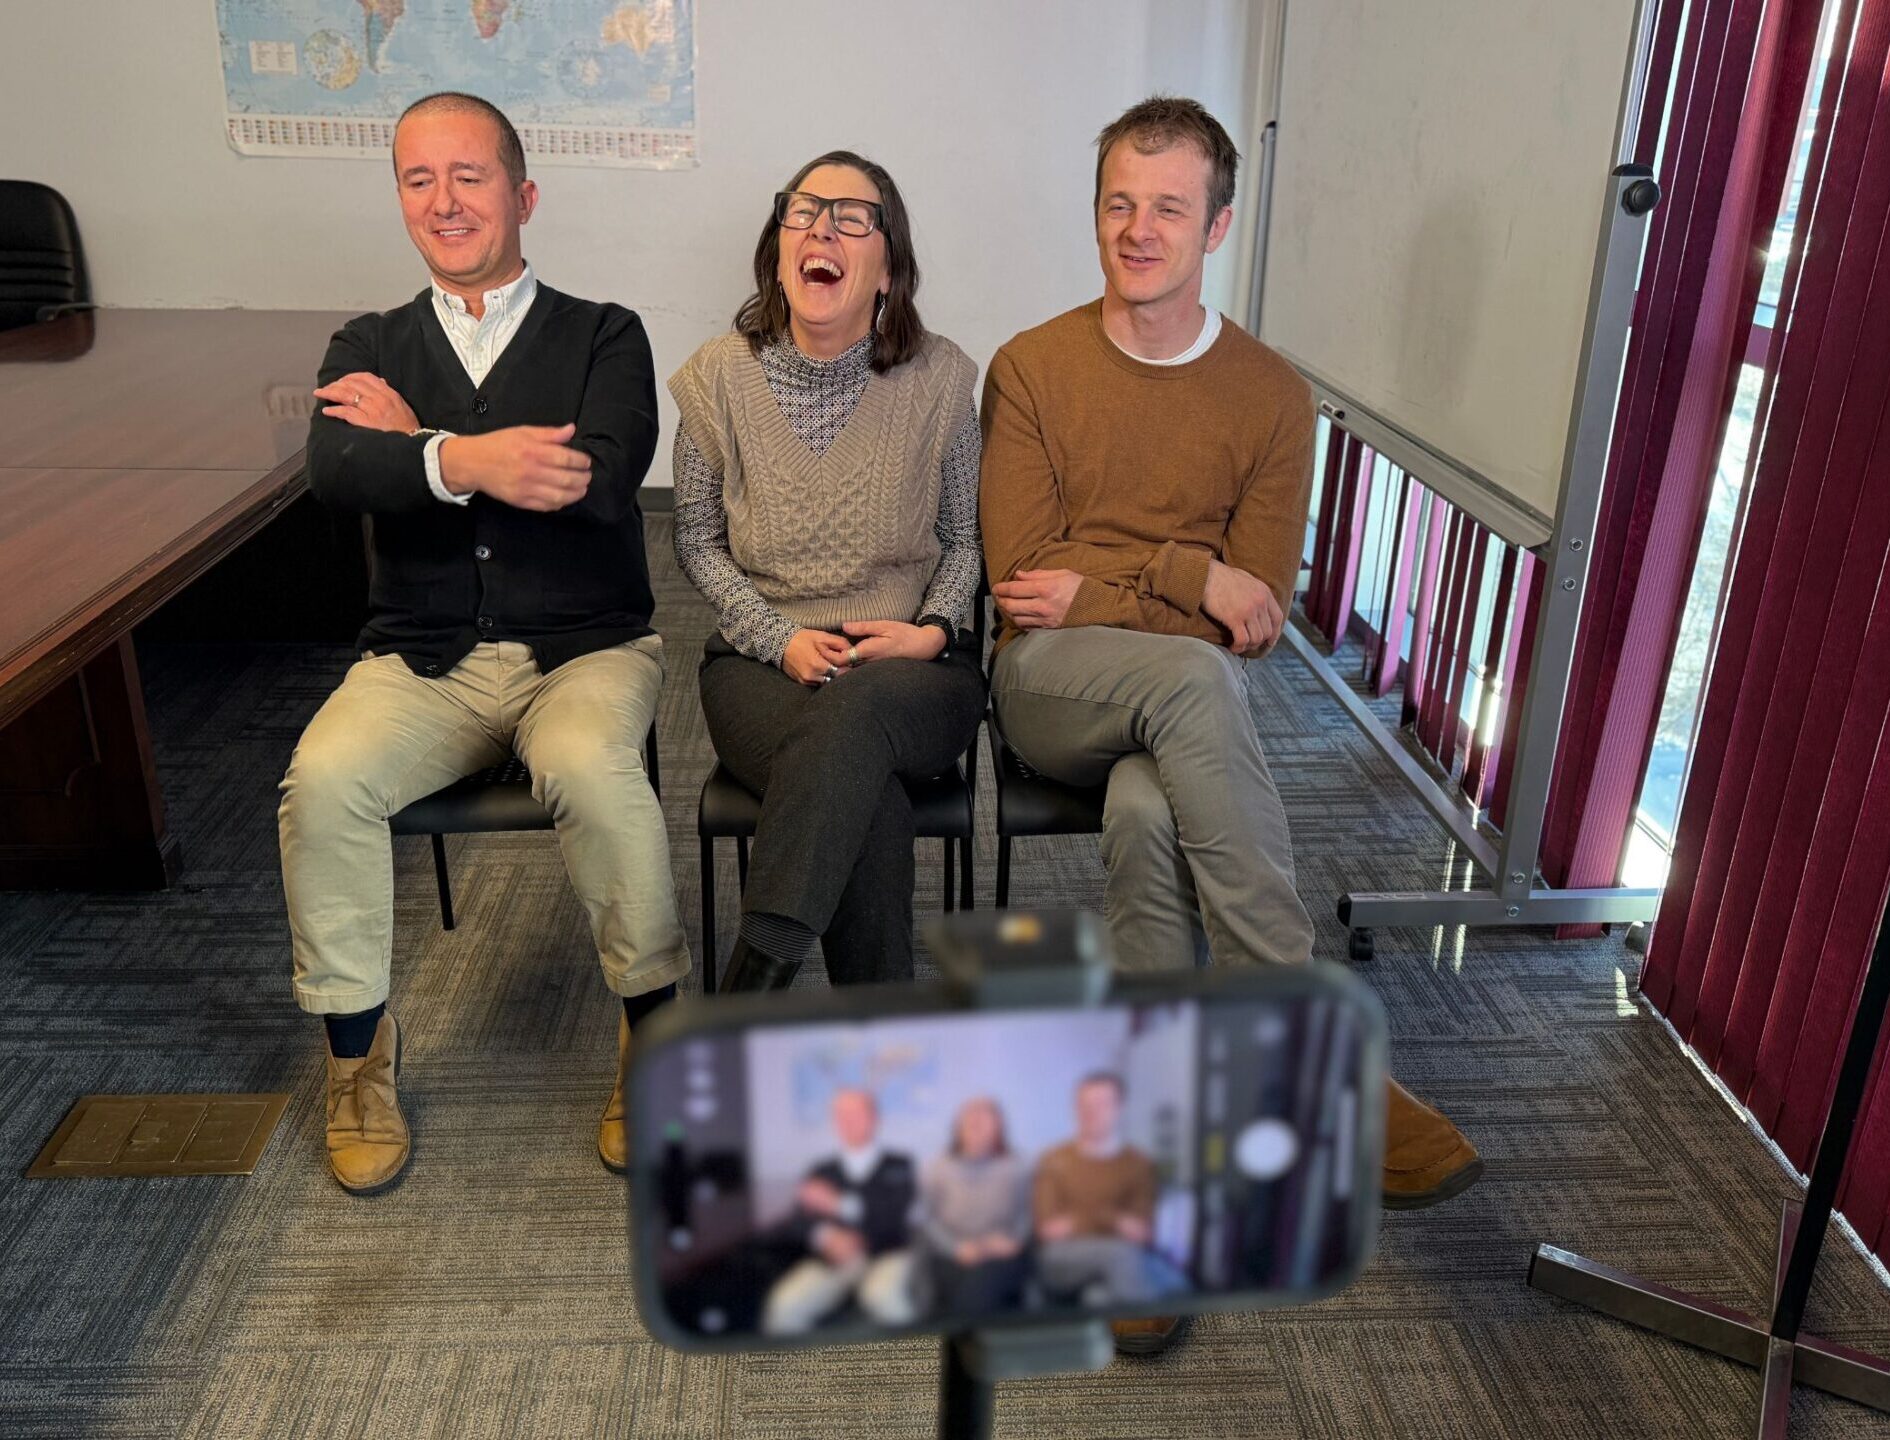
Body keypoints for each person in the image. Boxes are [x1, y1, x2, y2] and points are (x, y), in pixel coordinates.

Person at [981, 97, 1483, 1349]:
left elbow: (1255, 617)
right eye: (1118, 203)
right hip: (1052, 685)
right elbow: (1020, 578)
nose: (1137, 230)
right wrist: (1189, 575)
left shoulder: (1270, 396)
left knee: (1156, 808)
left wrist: (1156, 581)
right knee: (1194, 685)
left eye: (1166, 207)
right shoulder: (1032, 367)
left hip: (1179, 702)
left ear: (1217, 221)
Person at [278, 92, 688, 1194]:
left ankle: (654, 1035)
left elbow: (598, 484)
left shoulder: (605, 333)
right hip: (423, 659)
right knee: (322, 780)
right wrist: (468, 460)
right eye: (420, 179)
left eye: (469, 176)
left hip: (585, 649)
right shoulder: (368, 342)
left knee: (597, 773)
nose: (445, 201)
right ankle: (357, 1060)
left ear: (523, 194)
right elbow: (333, 474)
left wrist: (413, 448)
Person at [670, 150, 986, 992]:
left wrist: (930, 633)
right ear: (779, 249)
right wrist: (780, 641)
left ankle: (745, 996)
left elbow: (965, 543)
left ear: (890, 267)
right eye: (803, 211)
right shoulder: (718, 379)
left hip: (915, 673)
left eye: (853, 217)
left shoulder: (944, 379)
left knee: (859, 727)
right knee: (863, 792)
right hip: (761, 670)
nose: (822, 229)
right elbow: (695, 541)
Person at [1032, 1074, 1181, 1335]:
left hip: (1123, 1260)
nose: (1091, 1113)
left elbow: (1142, 1233)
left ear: (1119, 1108)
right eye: (1084, 1105)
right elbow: (1049, 1230)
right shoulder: (1053, 1159)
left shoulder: (1138, 1164)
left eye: (1102, 1104)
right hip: (1061, 1260)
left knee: (1099, 1298)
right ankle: (1146, 1339)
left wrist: (1079, 1219)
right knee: (1120, 1255)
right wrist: (1115, 1220)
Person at [762, 1088, 919, 1334]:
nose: (848, 1121)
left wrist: (838, 1204)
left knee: (885, 1298)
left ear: (875, 1118)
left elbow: (894, 1217)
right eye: (841, 1115)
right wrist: (826, 1236)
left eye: (857, 1113)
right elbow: (799, 1220)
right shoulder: (821, 1169)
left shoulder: (900, 1165)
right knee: (785, 1306)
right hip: (834, 1259)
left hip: (887, 1254)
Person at [915, 1097, 1033, 1318]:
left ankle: (959, 1344)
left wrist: (1013, 1241)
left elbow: (1028, 1213)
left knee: (981, 1287)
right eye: (970, 1121)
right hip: (952, 1253)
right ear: (958, 1128)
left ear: (998, 1128)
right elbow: (926, 1219)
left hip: (1001, 1252)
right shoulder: (937, 1168)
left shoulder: (1018, 1166)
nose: (976, 1126)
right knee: (950, 1291)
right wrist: (955, 1248)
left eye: (984, 1120)